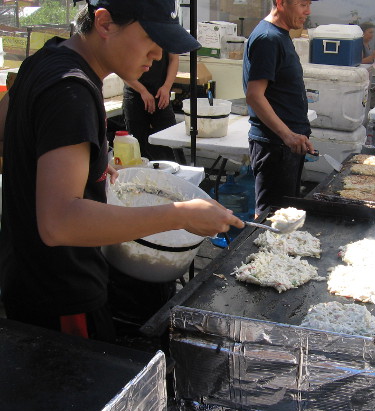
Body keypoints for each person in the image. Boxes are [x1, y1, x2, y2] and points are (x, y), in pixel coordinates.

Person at [0, 0, 243, 341]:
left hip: (25, 277)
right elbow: (58, 223)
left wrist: (89, 163)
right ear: (105, 23)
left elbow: (8, 132)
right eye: (151, 40)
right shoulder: (71, 90)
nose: (158, 56)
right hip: (61, 293)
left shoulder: (46, 59)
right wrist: (181, 215)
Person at [243, 0, 316, 217]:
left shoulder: (280, 35)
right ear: (281, 3)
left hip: (285, 146)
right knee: (271, 217)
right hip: (275, 147)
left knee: (286, 216)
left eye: (309, 4)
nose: (308, 11)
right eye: (302, 4)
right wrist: (289, 136)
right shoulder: (269, 38)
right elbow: (254, 96)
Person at [122, 48, 179, 161]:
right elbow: (121, 68)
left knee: (170, 144)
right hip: (134, 94)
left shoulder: (168, 32)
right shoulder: (129, 31)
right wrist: (142, 91)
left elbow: (174, 59)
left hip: (161, 94)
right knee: (137, 146)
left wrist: (166, 87)